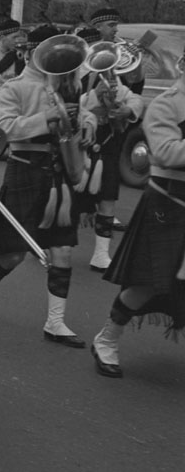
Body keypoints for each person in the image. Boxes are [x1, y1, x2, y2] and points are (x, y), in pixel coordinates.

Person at [0, 25, 98, 346]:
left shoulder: (68, 84)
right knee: (15, 253)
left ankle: (55, 322)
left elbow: (86, 114)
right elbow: (3, 130)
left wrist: (87, 124)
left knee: (62, 248)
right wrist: (46, 119)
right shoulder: (14, 88)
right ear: (31, 52)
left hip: (59, 173)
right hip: (26, 169)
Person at [91, 47, 185, 378]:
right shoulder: (166, 104)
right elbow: (167, 152)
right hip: (169, 202)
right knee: (150, 282)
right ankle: (107, 339)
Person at [78, 23, 143, 271]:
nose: (107, 69)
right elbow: (74, 105)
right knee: (69, 199)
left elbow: (135, 98)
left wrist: (126, 109)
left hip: (108, 147)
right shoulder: (81, 79)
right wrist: (95, 96)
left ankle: (101, 254)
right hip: (82, 147)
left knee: (107, 199)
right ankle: (48, 244)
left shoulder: (118, 83)